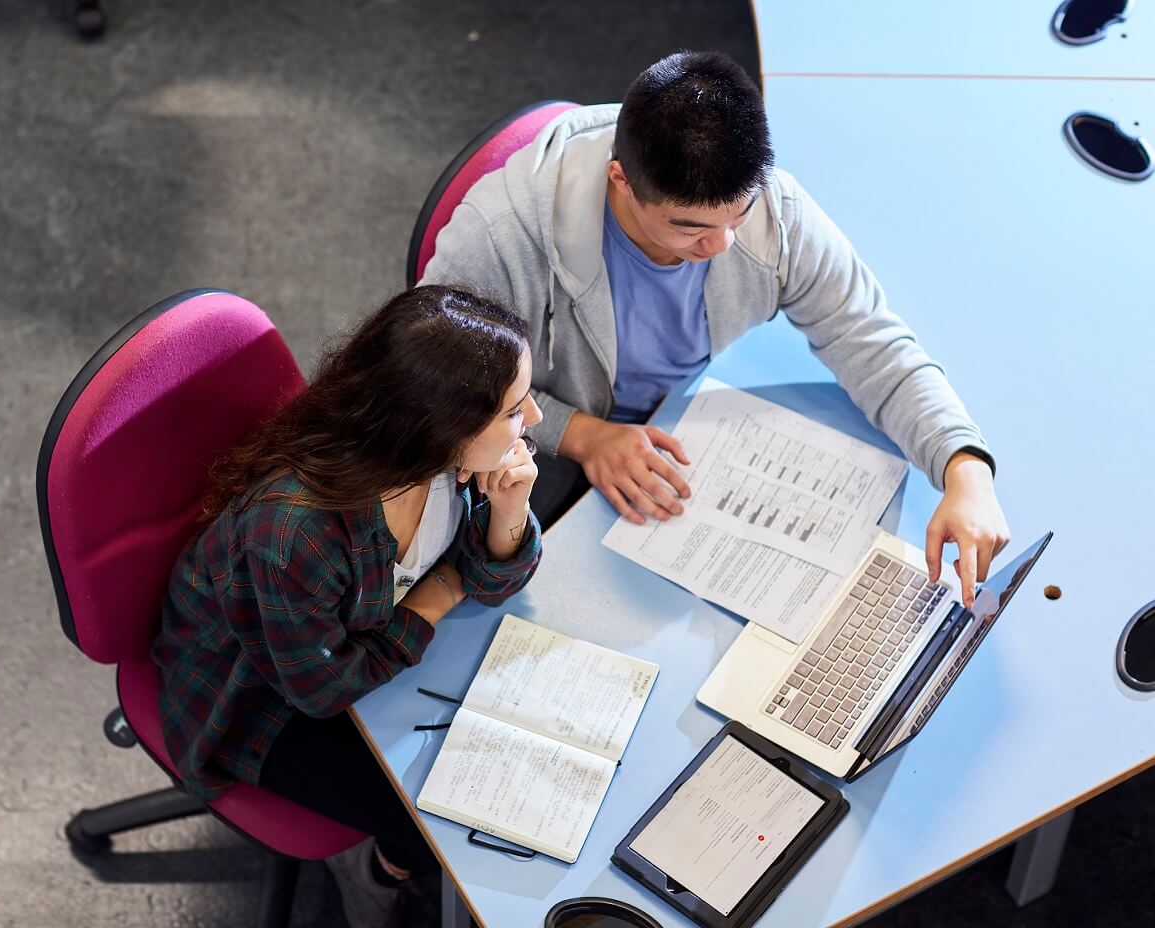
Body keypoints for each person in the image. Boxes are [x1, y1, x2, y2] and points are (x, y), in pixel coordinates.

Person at [420, 50, 1009, 607]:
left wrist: (964, 468)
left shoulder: (773, 212)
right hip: (536, 433)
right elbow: (440, 385)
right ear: (621, 180)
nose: (723, 245)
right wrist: (583, 435)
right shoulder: (500, 233)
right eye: (689, 229)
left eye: (739, 214)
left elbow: (870, 339)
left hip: (671, 430)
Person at [151, 285, 543, 928]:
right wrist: (442, 590)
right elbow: (320, 688)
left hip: (363, 649)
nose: (530, 417)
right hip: (254, 699)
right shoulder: (295, 533)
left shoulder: (443, 465)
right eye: (509, 410)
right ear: (440, 428)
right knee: (434, 823)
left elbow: (493, 575)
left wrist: (509, 510)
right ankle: (378, 870)